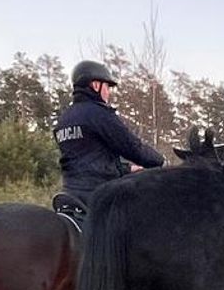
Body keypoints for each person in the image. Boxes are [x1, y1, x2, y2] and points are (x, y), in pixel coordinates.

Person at [53, 59, 166, 209]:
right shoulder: (99, 114)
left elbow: (86, 160)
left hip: (70, 192)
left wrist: (127, 169)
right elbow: (132, 147)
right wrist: (159, 161)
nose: (109, 92)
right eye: (107, 86)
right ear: (95, 85)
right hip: (100, 192)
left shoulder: (63, 119)